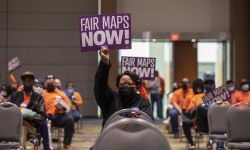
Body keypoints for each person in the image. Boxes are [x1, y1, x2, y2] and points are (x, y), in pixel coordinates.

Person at [94, 46, 154, 127]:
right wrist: (104, 63)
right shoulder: (110, 99)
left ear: (135, 86)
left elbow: (149, 123)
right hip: (112, 137)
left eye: (129, 84)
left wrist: (141, 118)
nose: (126, 86)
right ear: (117, 86)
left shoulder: (143, 102)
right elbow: (100, 86)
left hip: (136, 138)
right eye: (122, 84)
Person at [9, 71, 48, 149]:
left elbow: (42, 116)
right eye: (25, 81)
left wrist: (31, 115)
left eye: (29, 81)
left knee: (22, 126)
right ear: (22, 82)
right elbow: (8, 108)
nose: (27, 83)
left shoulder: (38, 98)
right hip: (13, 124)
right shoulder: (15, 95)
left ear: (33, 82)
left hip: (30, 126)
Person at [42, 75, 74, 149]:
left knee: (70, 120)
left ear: (54, 84)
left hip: (58, 117)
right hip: (45, 116)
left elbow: (69, 106)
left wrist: (64, 110)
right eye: (48, 83)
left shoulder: (61, 93)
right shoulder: (42, 93)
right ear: (45, 84)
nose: (50, 84)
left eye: (52, 83)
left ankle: (67, 143)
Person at [183, 78, 205, 150]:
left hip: (200, 124)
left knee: (185, 123)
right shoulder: (210, 96)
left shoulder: (194, 97)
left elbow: (188, 113)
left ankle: (191, 143)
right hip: (208, 124)